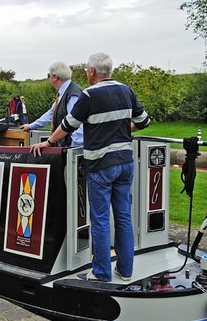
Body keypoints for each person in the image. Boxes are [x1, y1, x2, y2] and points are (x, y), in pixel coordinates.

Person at [31, 52, 150, 282]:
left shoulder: (89, 95)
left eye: (87, 69)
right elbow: (143, 121)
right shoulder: (127, 90)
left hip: (101, 164)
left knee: (100, 218)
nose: (86, 72)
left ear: (93, 71)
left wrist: (49, 142)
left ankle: (102, 272)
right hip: (125, 162)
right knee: (124, 216)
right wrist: (122, 129)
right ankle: (126, 270)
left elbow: (68, 125)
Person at [21, 61, 84, 147]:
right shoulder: (64, 93)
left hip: (71, 149)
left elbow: (79, 124)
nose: (49, 79)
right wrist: (31, 126)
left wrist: (73, 149)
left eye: (49, 76)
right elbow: (51, 114)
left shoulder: (72, 95)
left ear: (55, 77)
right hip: (64, 146)